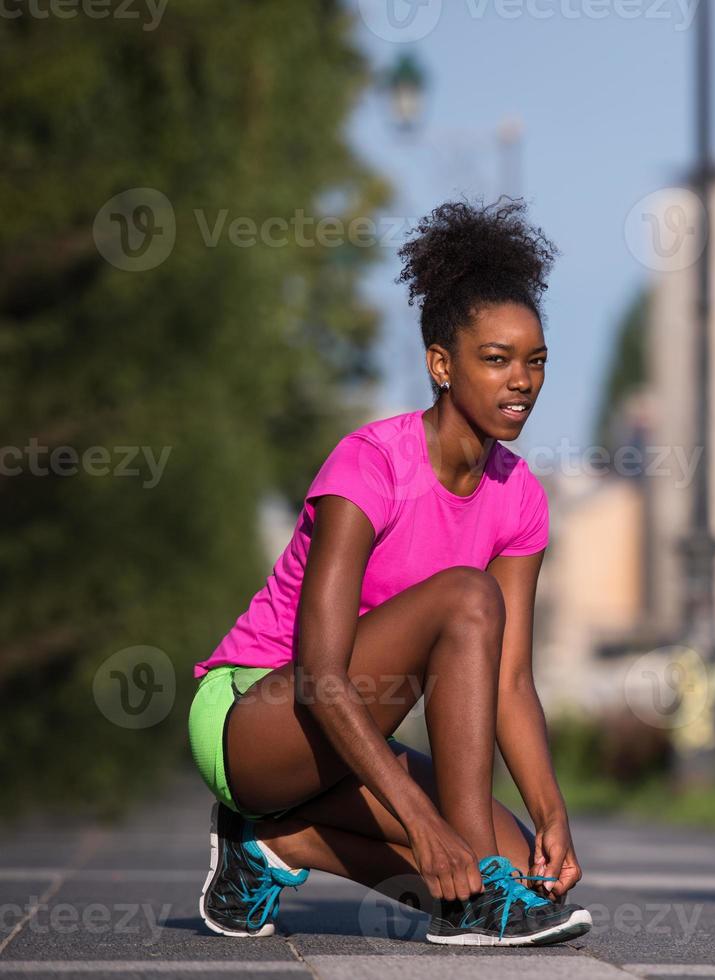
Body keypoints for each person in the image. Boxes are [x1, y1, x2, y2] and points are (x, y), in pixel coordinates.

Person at [185, 199, 590, 947]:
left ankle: (275, 845)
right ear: (441, 364)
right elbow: (319, 673)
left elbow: (507, 683)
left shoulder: (521, 497)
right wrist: (423, 820)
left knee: (515, 873)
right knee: (466, 601)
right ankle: (468, 887)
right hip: (256, 715)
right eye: (495, 359)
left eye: (534, 361)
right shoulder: (369, 464)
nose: (521, 381)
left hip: (348, 727)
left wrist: (551, 815)